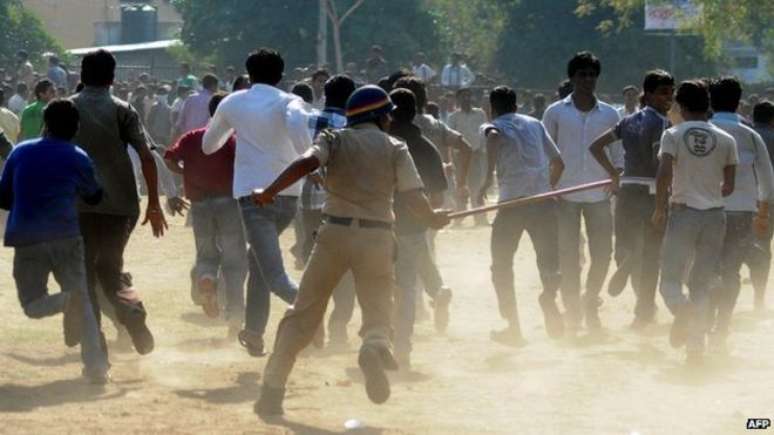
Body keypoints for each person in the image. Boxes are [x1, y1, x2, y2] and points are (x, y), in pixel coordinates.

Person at [254, 85, 450, 416]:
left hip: (334, 233)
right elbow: (415, 197)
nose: (390, 120)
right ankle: (373, 348)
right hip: (377, 238)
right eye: (386, 114)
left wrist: (270, 190)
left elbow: (306, 162)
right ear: (380, 116)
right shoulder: (395, 147)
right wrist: (432, 218)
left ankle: (273, 390)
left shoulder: (334, 138)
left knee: (303, 315)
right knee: (378, 311)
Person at [203, 48, 312, 357]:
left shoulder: (233, 102)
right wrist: (307, 157)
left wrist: (237, 129)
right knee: (259, 262)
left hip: (253, 198)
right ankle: (253, 333)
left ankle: (311, 313)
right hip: (289, 194)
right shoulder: (291, 101)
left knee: (275, 274)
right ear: (281, 75)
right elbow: (298, 130)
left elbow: (209, 146)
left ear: (248, 74)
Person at [0, 99, 110, 383]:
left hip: (26, 237)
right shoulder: (78, 155)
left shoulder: (20, 152)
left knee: (32, 304)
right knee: (83, 301)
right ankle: (96, 366)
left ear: (45, 124)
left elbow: (3, 198)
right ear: (76, 128)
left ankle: (63, 302)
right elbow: (94, 196)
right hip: (66, 235)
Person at [70, 49, 167, 356]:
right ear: (113, 79)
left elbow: (48, 156)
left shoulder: (64, 109)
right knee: (110, 269)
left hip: (78, 207)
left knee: (84, 276)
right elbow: (147, 156)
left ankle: (95, 350)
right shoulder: (124, 110)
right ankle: (132, 312)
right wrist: (153, 203)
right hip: (121, 206)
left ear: (81, 76)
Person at [653, 80, 738, 365]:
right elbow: (729, 187)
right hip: (715, 216)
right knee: (700, 284)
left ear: (681, 106)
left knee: (670, 282)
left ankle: (683, 312)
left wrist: (659, 208)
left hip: (683, 213)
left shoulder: (673, 134)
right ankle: (695, 349)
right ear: (708, 105)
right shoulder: (727, 140)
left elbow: (664, 174)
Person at [588, 70, 675, 329]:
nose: (669, 97)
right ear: (647, 94)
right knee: (650, 256)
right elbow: (657, 161)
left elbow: (595, 146)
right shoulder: (664, 125)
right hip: (651, 192)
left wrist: (614, 173)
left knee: (625, 247)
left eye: (671, 91)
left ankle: (629, 265)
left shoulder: (627, 121)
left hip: (626, 190)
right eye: (663, 92)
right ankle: (643, 310)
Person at [542, 51, 621, 334]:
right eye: (582, 74)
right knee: (569, 257)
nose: (587, 79)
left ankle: (591, 301)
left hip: (600, 195)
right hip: (565, 196)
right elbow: (546, 152)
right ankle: (573, 310)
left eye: (592, 74)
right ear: (572, 78)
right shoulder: (555, 112)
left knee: (603, 254)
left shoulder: (611, 114)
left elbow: (617, 155)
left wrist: (616, 178)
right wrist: (548, 187)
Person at [478, 86, 564, 345]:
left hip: (512, 204)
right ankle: (549, 295)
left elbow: (492, 137)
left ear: (492, 108)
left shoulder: (491, 125)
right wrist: (548, 188)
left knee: (501, 264)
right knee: (549, 261)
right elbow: (559, 163)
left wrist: (486, 179)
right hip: (542, 201)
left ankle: (513, 327)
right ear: (516, 105)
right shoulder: (535, 123)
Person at [165, 93, 247, 335]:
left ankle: (207, 278)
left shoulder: (192, 137)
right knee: (234, 262)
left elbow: (169, 158)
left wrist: (186, 173)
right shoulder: (233, 140)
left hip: (200, 204)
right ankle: (234, 316)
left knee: (206, 254)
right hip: (228, 203)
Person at [706, 77, 774, 353]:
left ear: (710, 100)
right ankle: (722, 325)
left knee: (708, 269)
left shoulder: (702, 131)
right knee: (731, 270)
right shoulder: (750, 135)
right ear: (739, 100)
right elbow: (767, 180)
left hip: (706, 212)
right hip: (742, 213)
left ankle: (705, 317)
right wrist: (762, 213)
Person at [388, 88, 453, 367]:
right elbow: (438, 196)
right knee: (418, 261)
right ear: (416, 113)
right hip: (416, 223)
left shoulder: (384, 143)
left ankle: (401, 347)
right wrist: (429, 215)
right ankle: (438, 290)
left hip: (380, 223)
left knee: (402, 288)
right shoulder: (427, 147)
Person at [299, 74, 358, 348]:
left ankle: (314, 327)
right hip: (343, 205)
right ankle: (338, 326)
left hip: (310, 203)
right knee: (345, 270)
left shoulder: (308, 120)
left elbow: (299, 158)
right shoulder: (354, 127)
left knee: (313, 269)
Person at [747, 101, 774, 311]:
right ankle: (758, 297)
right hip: (768, 200)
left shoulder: (745, 135)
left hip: (743, 199)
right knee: (763, 245)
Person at [448, 88, 488, 225]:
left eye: (468, 96)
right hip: (460, 157)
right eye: (463, 96)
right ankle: (459, 218)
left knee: (477, 186)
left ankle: (480, 218)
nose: (466, 99)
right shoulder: (453, 117)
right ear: (458, 99)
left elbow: (484, 134)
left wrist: (484, 152)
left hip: (476, 155)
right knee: (461, 185)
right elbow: (451, 139)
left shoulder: (480, 114)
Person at [173, 74, 219, 141]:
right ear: (213, 86)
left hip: (187, 136)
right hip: (202, 138)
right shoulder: (213, 100)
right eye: (217, 86)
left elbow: (181, 118)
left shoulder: (190, 98)